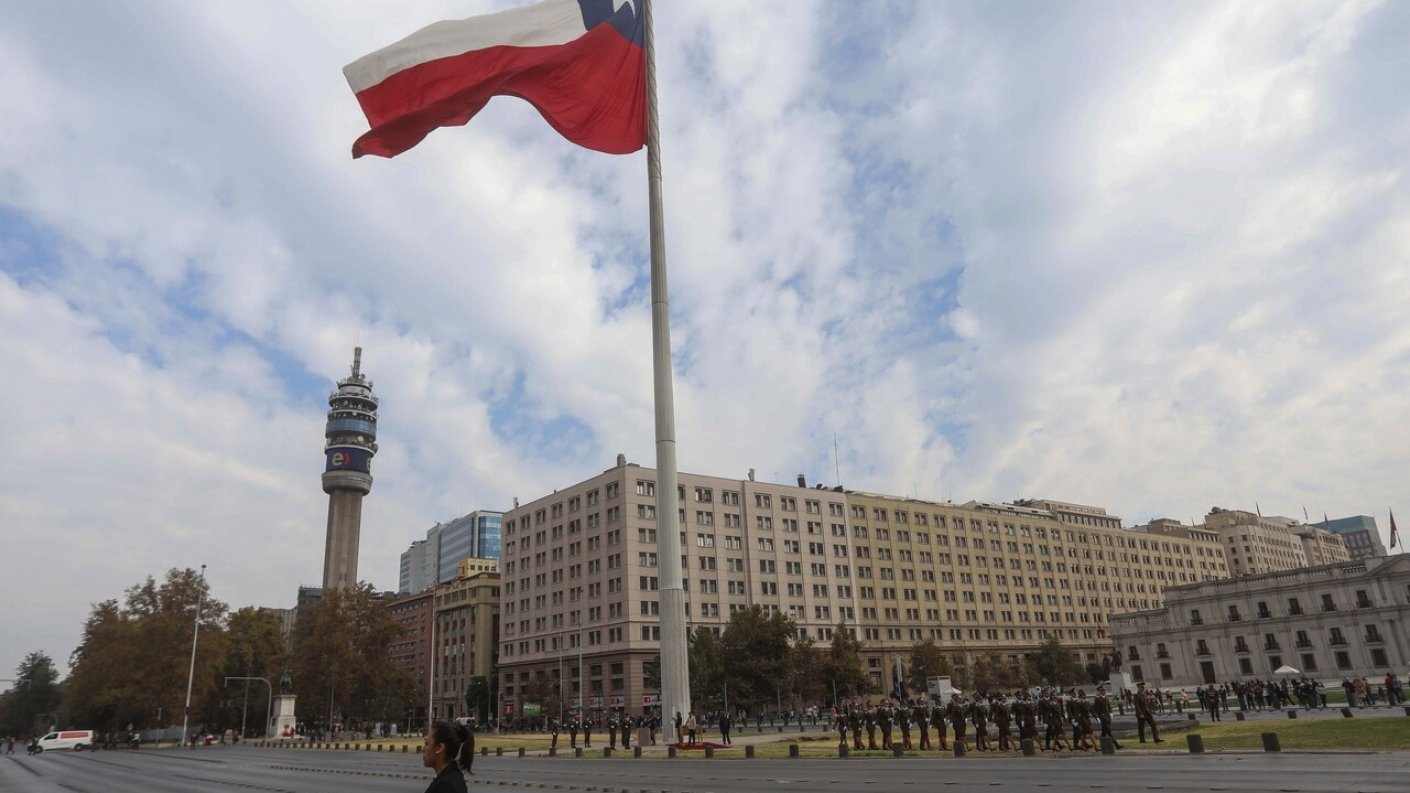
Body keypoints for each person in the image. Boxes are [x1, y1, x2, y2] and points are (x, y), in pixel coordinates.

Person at [421, 720, 472, 793]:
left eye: (427, 743)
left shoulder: (445, 786)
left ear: (439, 748)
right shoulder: (454, 776)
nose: (423, 749)